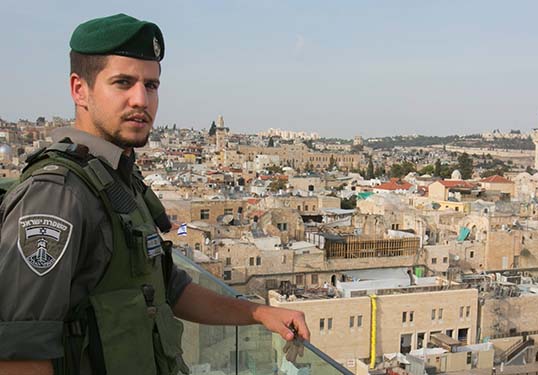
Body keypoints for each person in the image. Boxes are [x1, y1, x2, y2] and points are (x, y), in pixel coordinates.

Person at [0, 13, 310, 375]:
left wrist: (259, 312)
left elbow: (167, 287)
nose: (141, 99)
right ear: (79, 89)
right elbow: (19, 354)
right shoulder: (56, 196)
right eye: (122, 82)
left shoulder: (117, 181)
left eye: (151, 85)